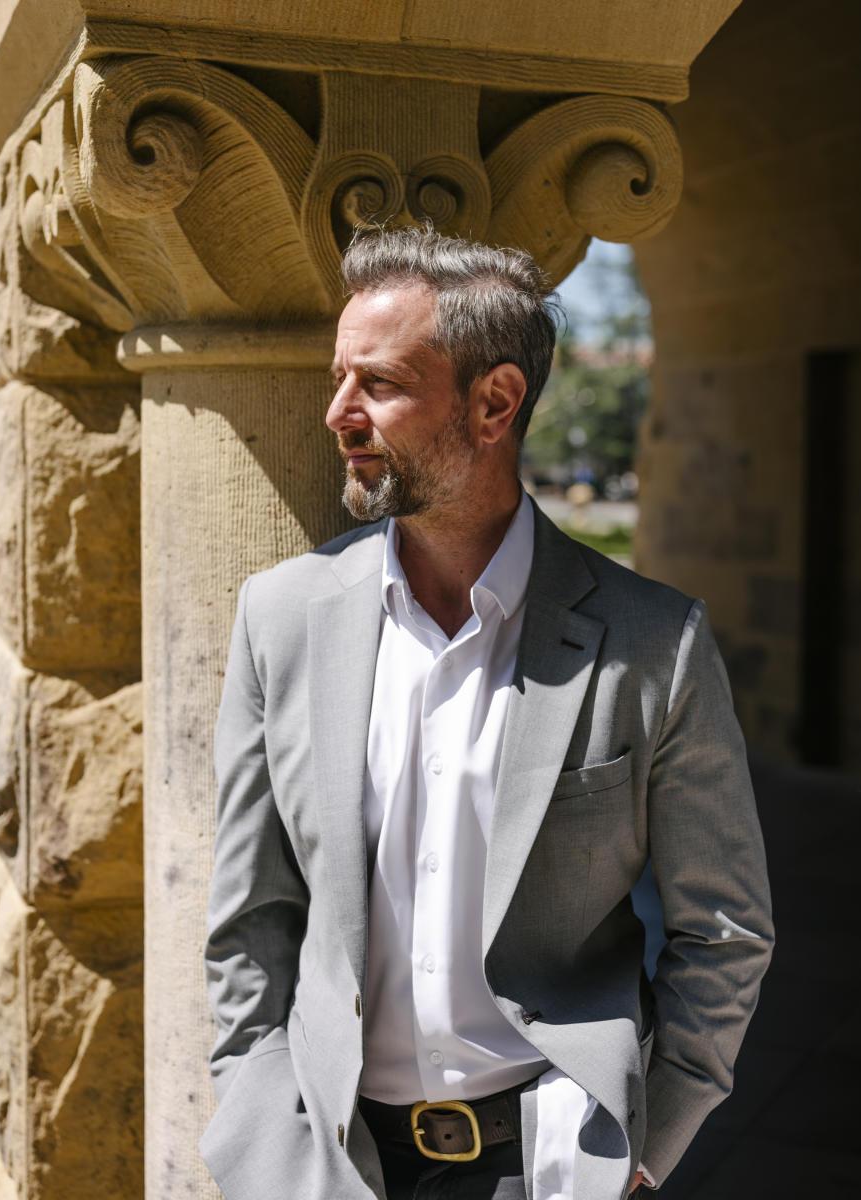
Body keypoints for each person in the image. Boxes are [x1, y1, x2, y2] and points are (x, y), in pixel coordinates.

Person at [199, 227, 773, 1200]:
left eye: (376, 383)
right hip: (329, 1167)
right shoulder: (280, 620)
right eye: (339, 378)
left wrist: (642, 1155)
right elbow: (249, 919)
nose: (337, 411)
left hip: (548, 1167)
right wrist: (259, 1137)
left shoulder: (654, 643)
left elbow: (724, 932)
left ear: (494, 401)